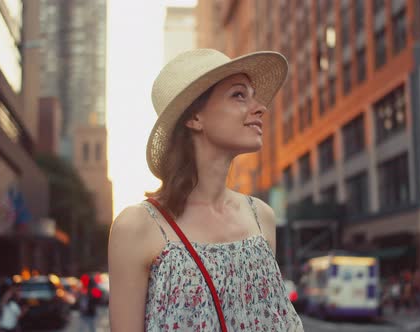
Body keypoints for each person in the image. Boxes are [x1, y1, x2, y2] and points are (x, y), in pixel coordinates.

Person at [108, 49, 303, 331]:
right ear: (194, 118)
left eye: (253, 95)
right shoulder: (137, 227)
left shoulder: (261, 217)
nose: (261, 108)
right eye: (239, 95)